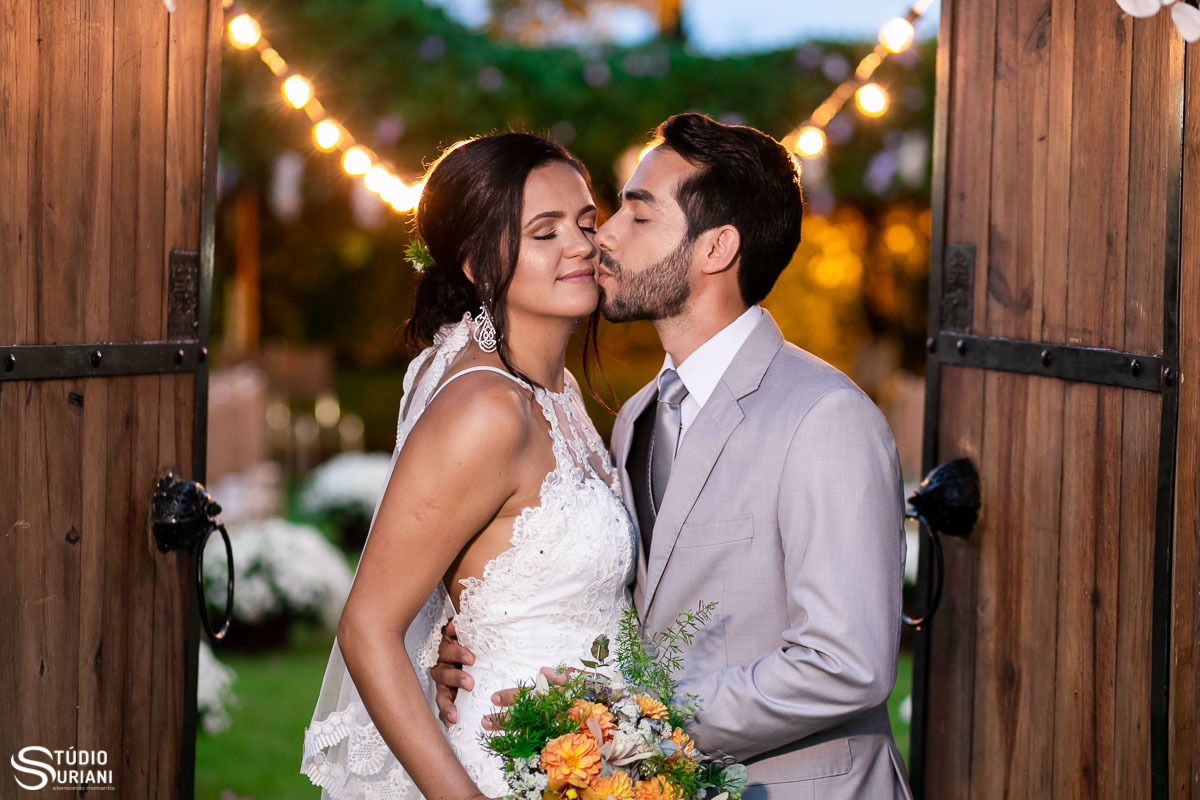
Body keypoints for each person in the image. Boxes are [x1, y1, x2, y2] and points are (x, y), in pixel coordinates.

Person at [434, 114, 912, 799]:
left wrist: (633, 724)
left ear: (715, 247)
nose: (603, 237)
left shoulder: (824, 417)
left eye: (637, 215)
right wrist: (480, 643)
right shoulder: (638, 416)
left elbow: (846, 663)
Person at [301, 133, 638, 800]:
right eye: (544, 233)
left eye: (586, 222)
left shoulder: (559, 394)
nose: (580, 245)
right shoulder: (485, 408)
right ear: (478, 266)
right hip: (500, 774)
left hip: (593, 767)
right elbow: (369, 626)